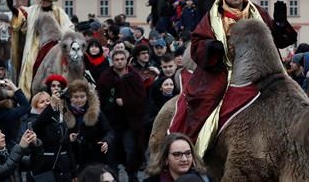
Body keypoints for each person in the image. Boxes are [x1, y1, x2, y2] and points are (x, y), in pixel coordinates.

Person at [168, 0, 296, 156]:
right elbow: (197, 44)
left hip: (259, 70)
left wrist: (279, 24)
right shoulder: (213, 16)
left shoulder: (257, 12)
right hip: (222, 70)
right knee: (205, 103)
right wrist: (211, 47)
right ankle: (190, 147)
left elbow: (281, 41)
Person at [7, 0, 74, 96]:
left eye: (46, 0)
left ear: (51, 1)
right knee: (30, 70)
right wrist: (13, 9)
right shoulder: (32, 10)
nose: (43, 2)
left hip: (52, 48)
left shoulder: (58, 12)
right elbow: (21, 17)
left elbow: (68, 28)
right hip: (34, 47)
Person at [97, 50, 146, 182]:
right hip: (112, 123)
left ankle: (132, 176)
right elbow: (101, 99)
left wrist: (127, 101)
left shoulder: (134, 76)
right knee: (111, 154)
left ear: (126, 60)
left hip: (129, 123)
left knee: (130, 151)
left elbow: (140, 97)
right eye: (116, 59)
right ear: (113, 61)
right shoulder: (106, 77)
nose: (119, 61)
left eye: (122, 59)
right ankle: (114, 178)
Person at [63, 79, 113, 174]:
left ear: (87, 97)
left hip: (93, 156)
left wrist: (106, 141)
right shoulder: (64, 112)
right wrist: (68, 137)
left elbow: (109, 130)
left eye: (82, 97)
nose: (79, 100)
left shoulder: (95, 111)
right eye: (75, 97)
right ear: (70, 98)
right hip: (72, 158)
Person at [31, 89, 74, 181]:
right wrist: (51, 106)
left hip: (64, 169)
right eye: (42, 102)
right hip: (46, 169)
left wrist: (74, 172)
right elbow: (36, 125)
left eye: (48, 100)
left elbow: (68, 147)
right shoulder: (33, 120)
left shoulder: (59, 120)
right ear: (35, 106)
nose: (46, 103)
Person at [144, 133, 209, 182]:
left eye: (188, 153)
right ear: (165, 159)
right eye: (177, 154)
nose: (184, 159)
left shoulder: (205, 179)